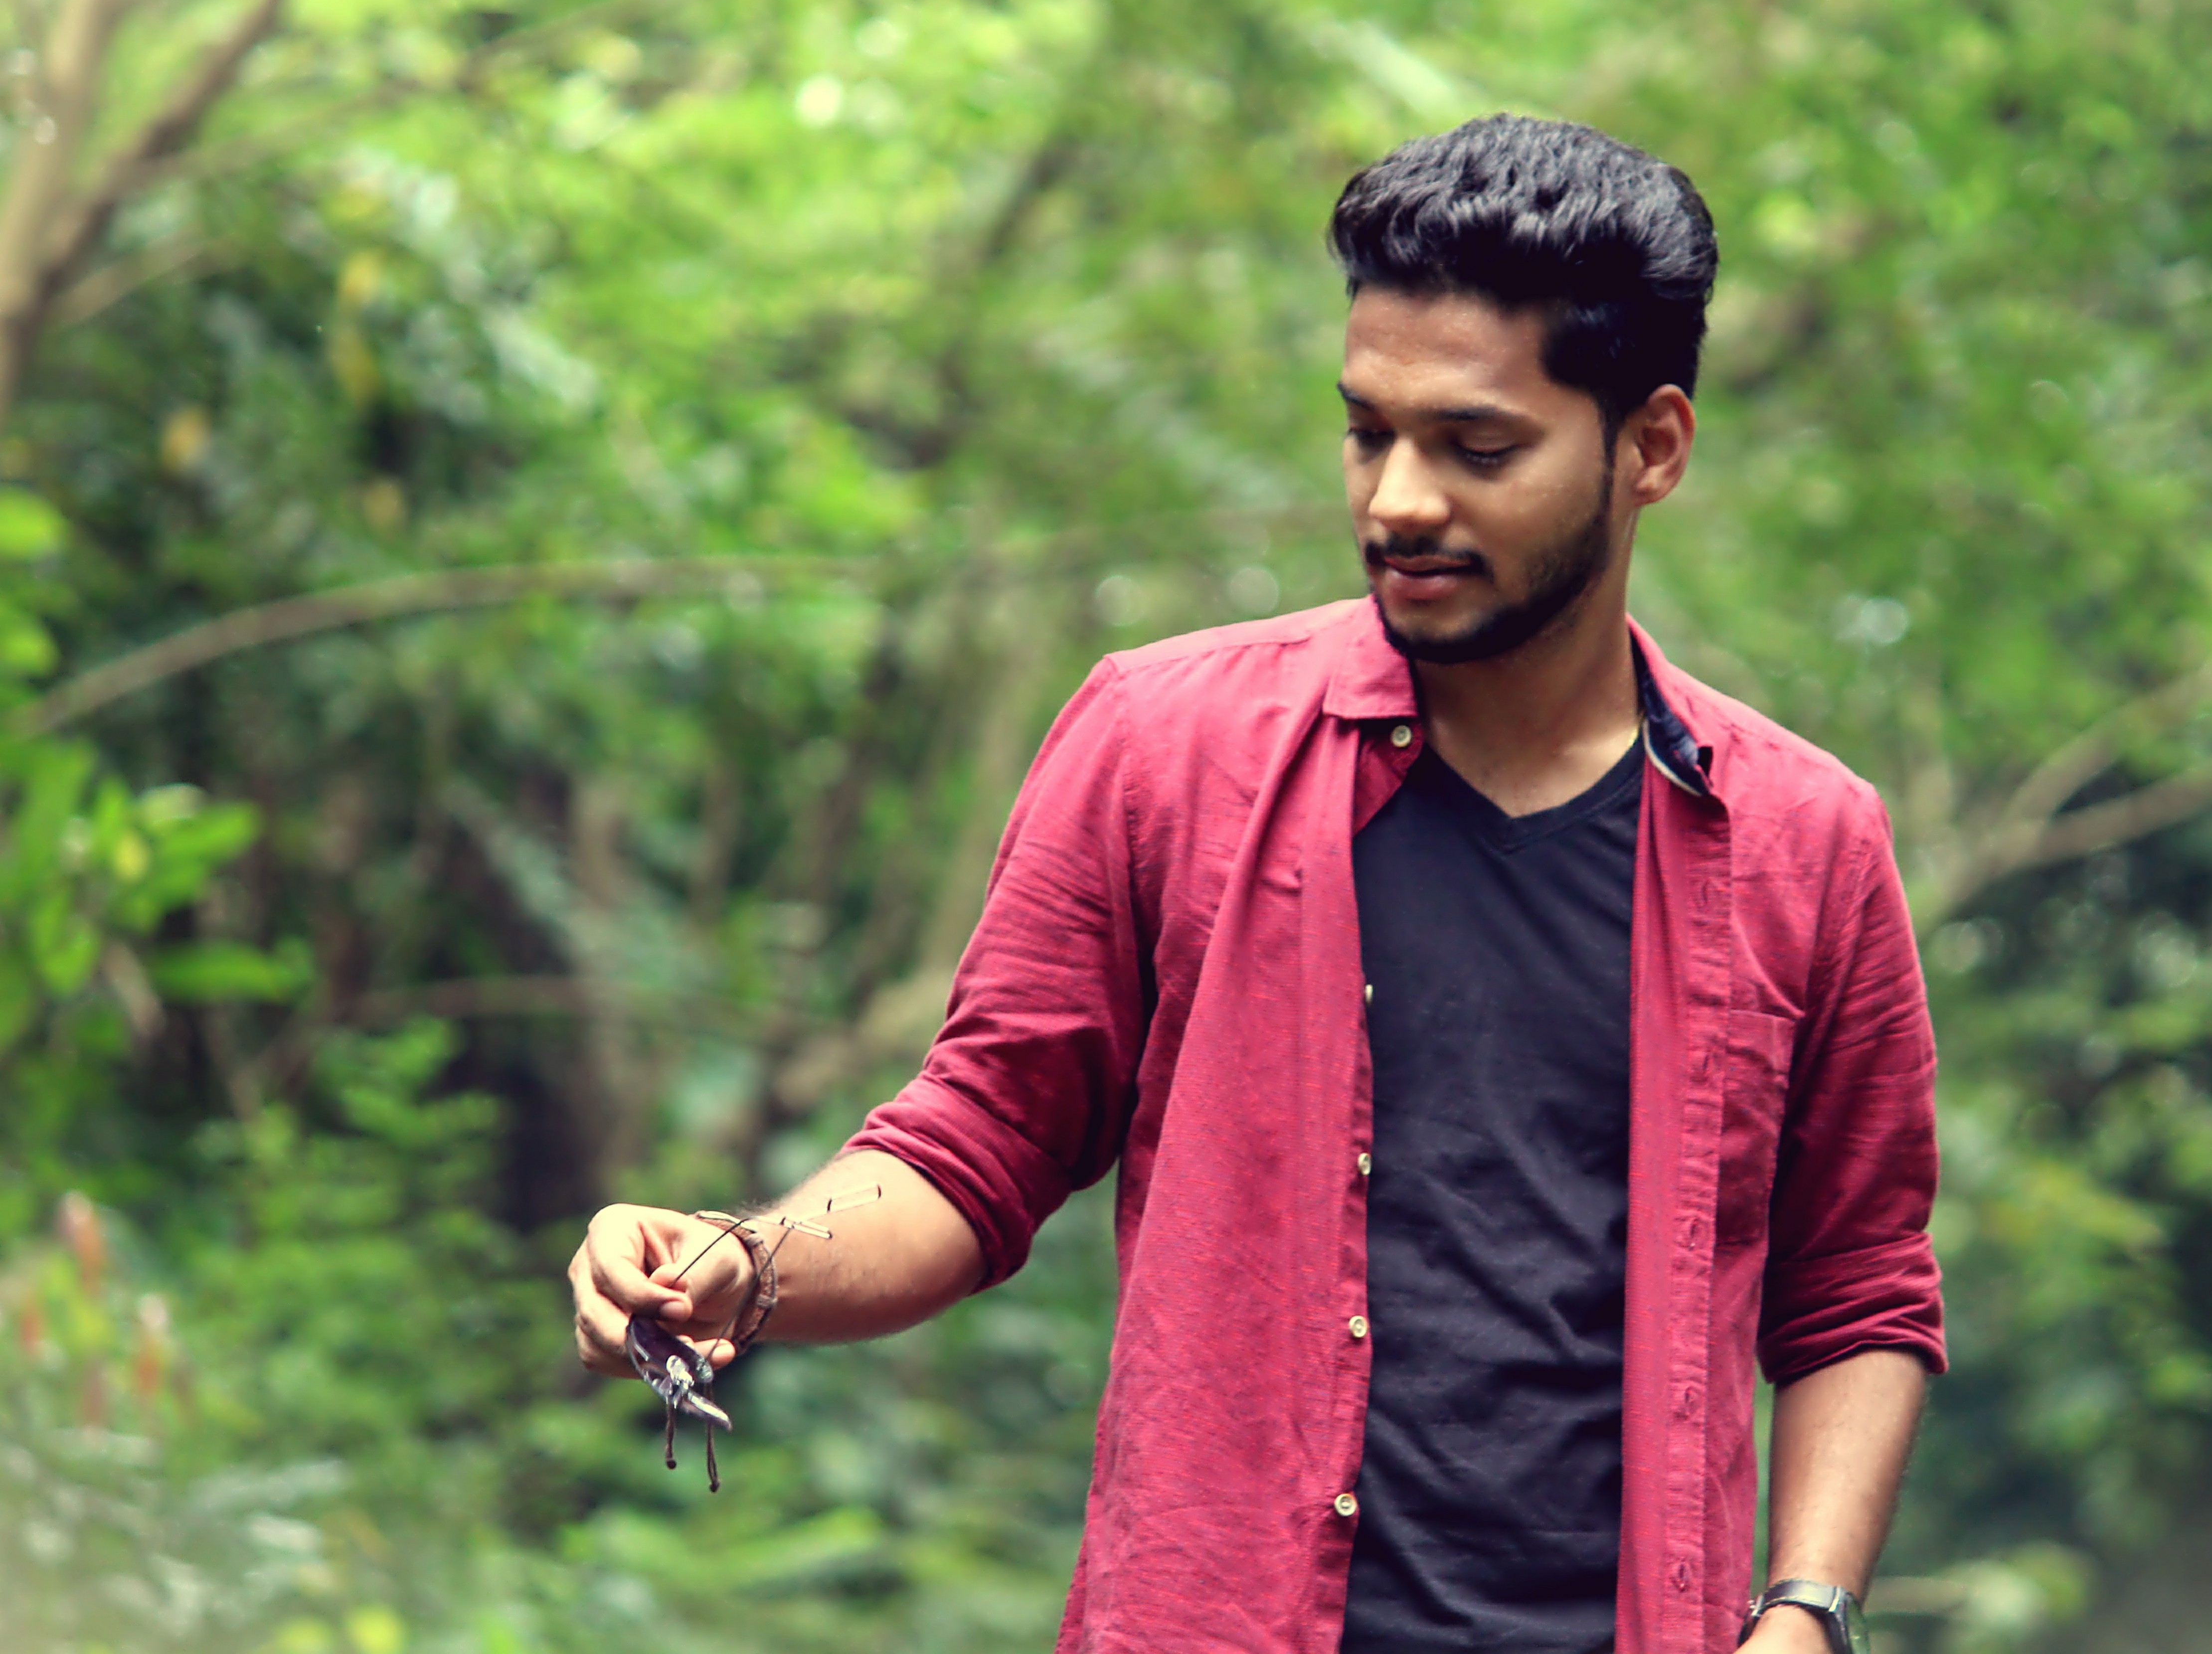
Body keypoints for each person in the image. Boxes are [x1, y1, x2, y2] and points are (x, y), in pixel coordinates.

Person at [568, 113, 1943, 1654]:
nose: (1398, 499)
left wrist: (1806, 1613)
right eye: (1368, 432)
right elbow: (977, 1142)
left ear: (1653, 448)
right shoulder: (1164, 747)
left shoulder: (1805, 844)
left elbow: (1860, 1288)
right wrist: (747, 1265)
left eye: (1476, 448)